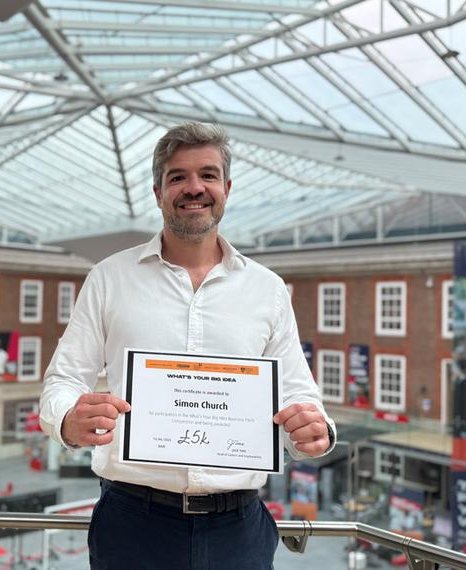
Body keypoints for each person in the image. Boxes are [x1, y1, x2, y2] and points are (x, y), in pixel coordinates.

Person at [40, 122, 336, 569]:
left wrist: (315, 430)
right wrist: (67, 419)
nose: (194, 187)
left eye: (208, 175)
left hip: (239, 528)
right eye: (178, 176)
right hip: (132, 525)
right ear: (158, 192)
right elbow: (63, 379)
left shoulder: (267, 289)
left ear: (227, 188)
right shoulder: (109, 278)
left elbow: (297, 392)